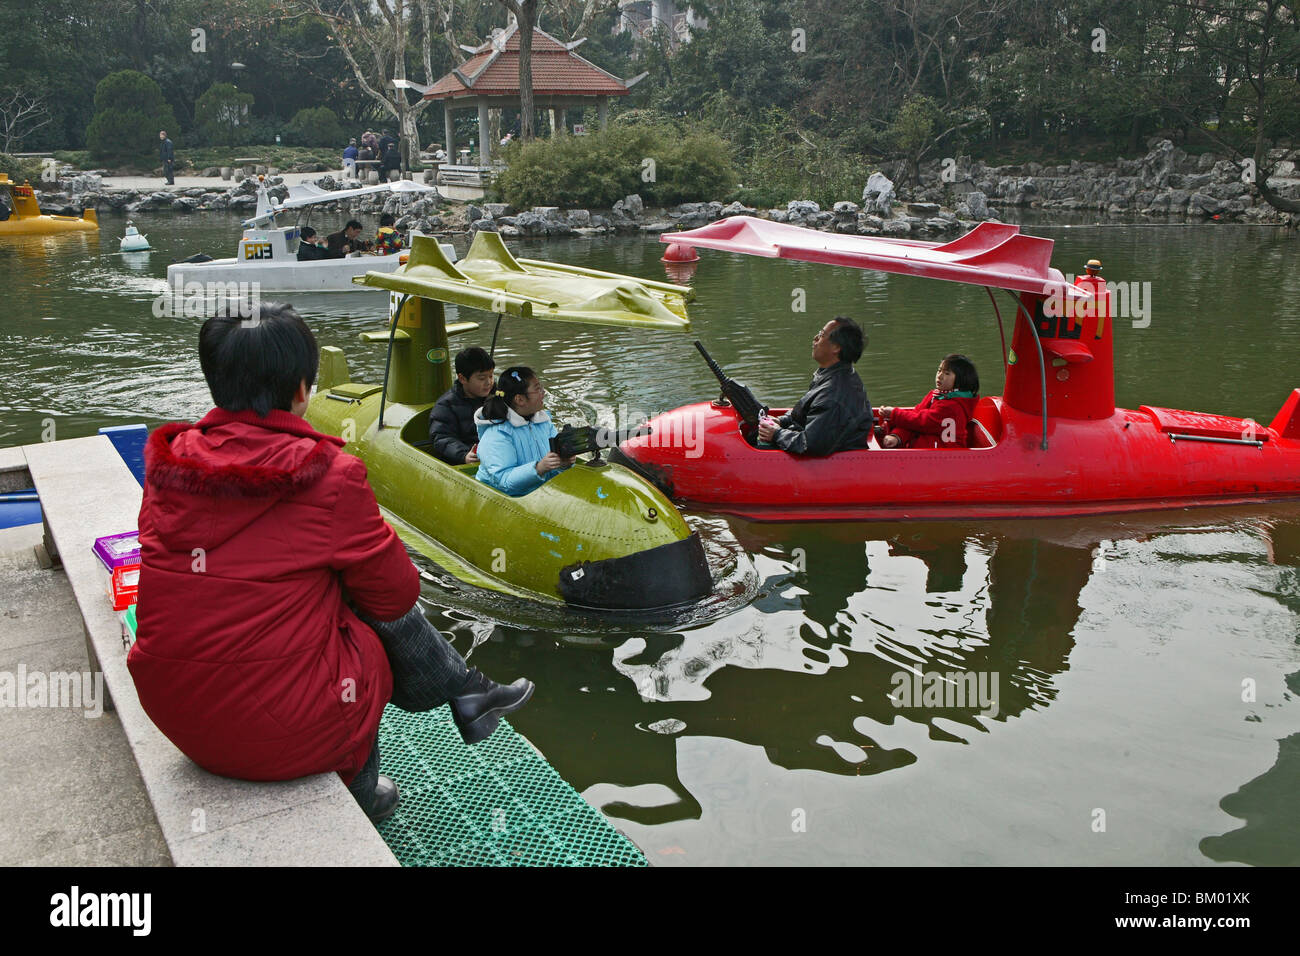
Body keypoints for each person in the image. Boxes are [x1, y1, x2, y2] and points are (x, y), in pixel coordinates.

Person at [126, 304, 535, 823]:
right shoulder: (327, 474)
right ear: (302, 389)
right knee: (368, 624)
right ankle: (371, 783)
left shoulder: (170, 465)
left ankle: (468, 691)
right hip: (282, 734)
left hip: (180, 718)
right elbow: (396, 597)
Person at [756, 316, 873, 456]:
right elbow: (806, 412)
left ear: (836, 347)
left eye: (821, 335)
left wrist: (776, 434)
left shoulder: (833, 394)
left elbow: (810, 445)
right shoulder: (834, 375)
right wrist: (782, 421)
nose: (815, 338)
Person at [474, 366, 577, 496]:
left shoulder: (544, 422)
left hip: (541, 496)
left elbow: (552, 471)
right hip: (500, 501)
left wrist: (562, 464)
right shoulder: (497, 433)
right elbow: (502, 481)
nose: (543, 393)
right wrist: (538, 469)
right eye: (537, 389)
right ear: (520, 399)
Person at [877, 354, 980, 449]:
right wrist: (897, 436)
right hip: (928, 453)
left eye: (947, 373)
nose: (939, 376)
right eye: (939, 370)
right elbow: (915, 416)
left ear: (961, 380)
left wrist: (894, 413)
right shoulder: (935, 395)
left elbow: (921, 422)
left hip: (946, 459)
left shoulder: (952, 407)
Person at [429, 347, 495, 465]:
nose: (488, 382)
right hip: (470, 459)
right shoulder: (446, 405)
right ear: (462, 378)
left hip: (498, 453)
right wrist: (464, 455)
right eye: (482, 378)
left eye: (491, 376)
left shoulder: (498, 395)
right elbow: (442, 438)